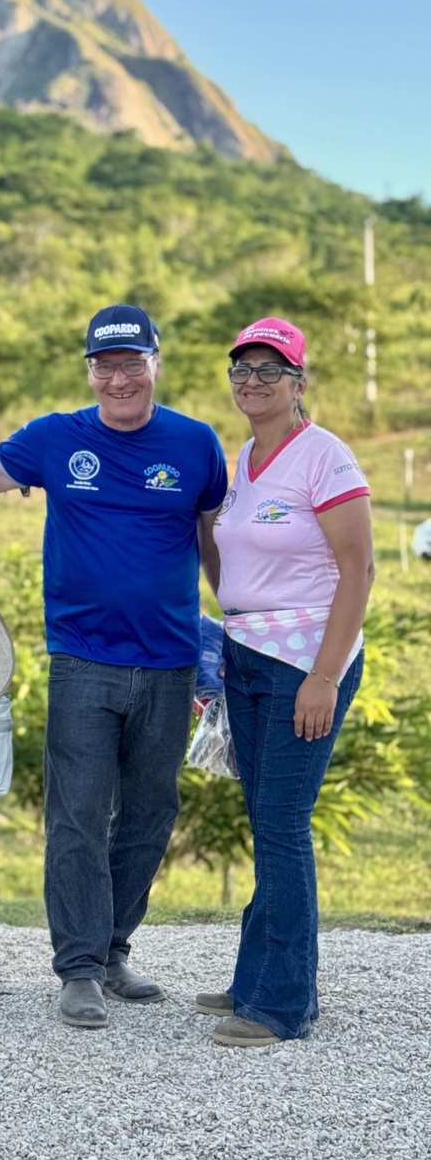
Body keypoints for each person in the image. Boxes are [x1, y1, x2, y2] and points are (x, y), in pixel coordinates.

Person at [0, 304, 228, 1029]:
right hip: (82, 661)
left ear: (155, 363)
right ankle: (78, 968)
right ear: (90, 371)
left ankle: (113, 948)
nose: (119, 379)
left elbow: (212, 543)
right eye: (105, 366)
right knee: (77, 817)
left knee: (149, 813)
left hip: (172, 664)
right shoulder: (56, 438)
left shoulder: (197, 444)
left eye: (131, 363)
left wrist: (238, 621)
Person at [198, 317, 372, 1047]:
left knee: (281, 824)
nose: (252, 382)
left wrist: (324, 676)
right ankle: (253, 979)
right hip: (246, 656)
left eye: (269, 370)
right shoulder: (246, 456)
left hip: (305, 659)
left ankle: (284, 1004)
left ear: (299, 383)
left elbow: (359, 572)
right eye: (242, 370)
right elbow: (226, 552)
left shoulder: (324, 457)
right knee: (264, 819)